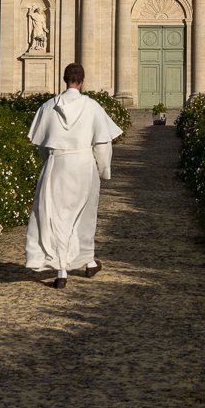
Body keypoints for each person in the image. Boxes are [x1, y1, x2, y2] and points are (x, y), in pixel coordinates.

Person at [25, 63, 123, 288]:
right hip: (83, 165)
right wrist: (104, 170)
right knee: (83, 216)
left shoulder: (48, 107)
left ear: (64, 79)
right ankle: (85, 262)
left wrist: (50, 160)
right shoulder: (92, 106)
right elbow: (102, 144)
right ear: (82, 81)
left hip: (57, 165)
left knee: (56, 217)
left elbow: (41, 145)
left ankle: (65, 269)